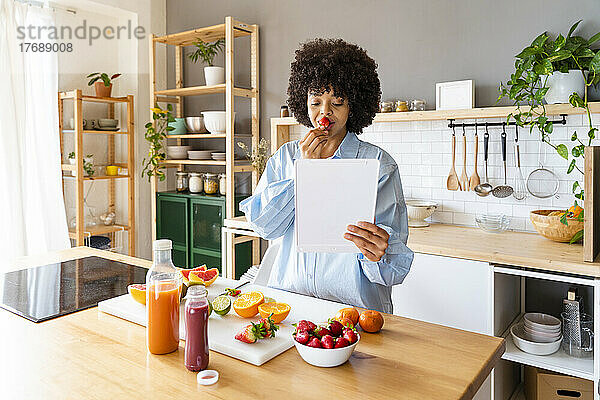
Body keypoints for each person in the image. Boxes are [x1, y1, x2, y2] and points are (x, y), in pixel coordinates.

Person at [239, 38, 413, 313]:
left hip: (355, 315)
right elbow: (264, 227)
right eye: (316, 101)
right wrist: (303, 173)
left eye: (337, 102)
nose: (325, 112)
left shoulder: (379, 165)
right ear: (303, 103)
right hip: (290, 309)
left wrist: (379, 252)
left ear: (353, 105)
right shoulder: (286, 158)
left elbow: (393, 271)